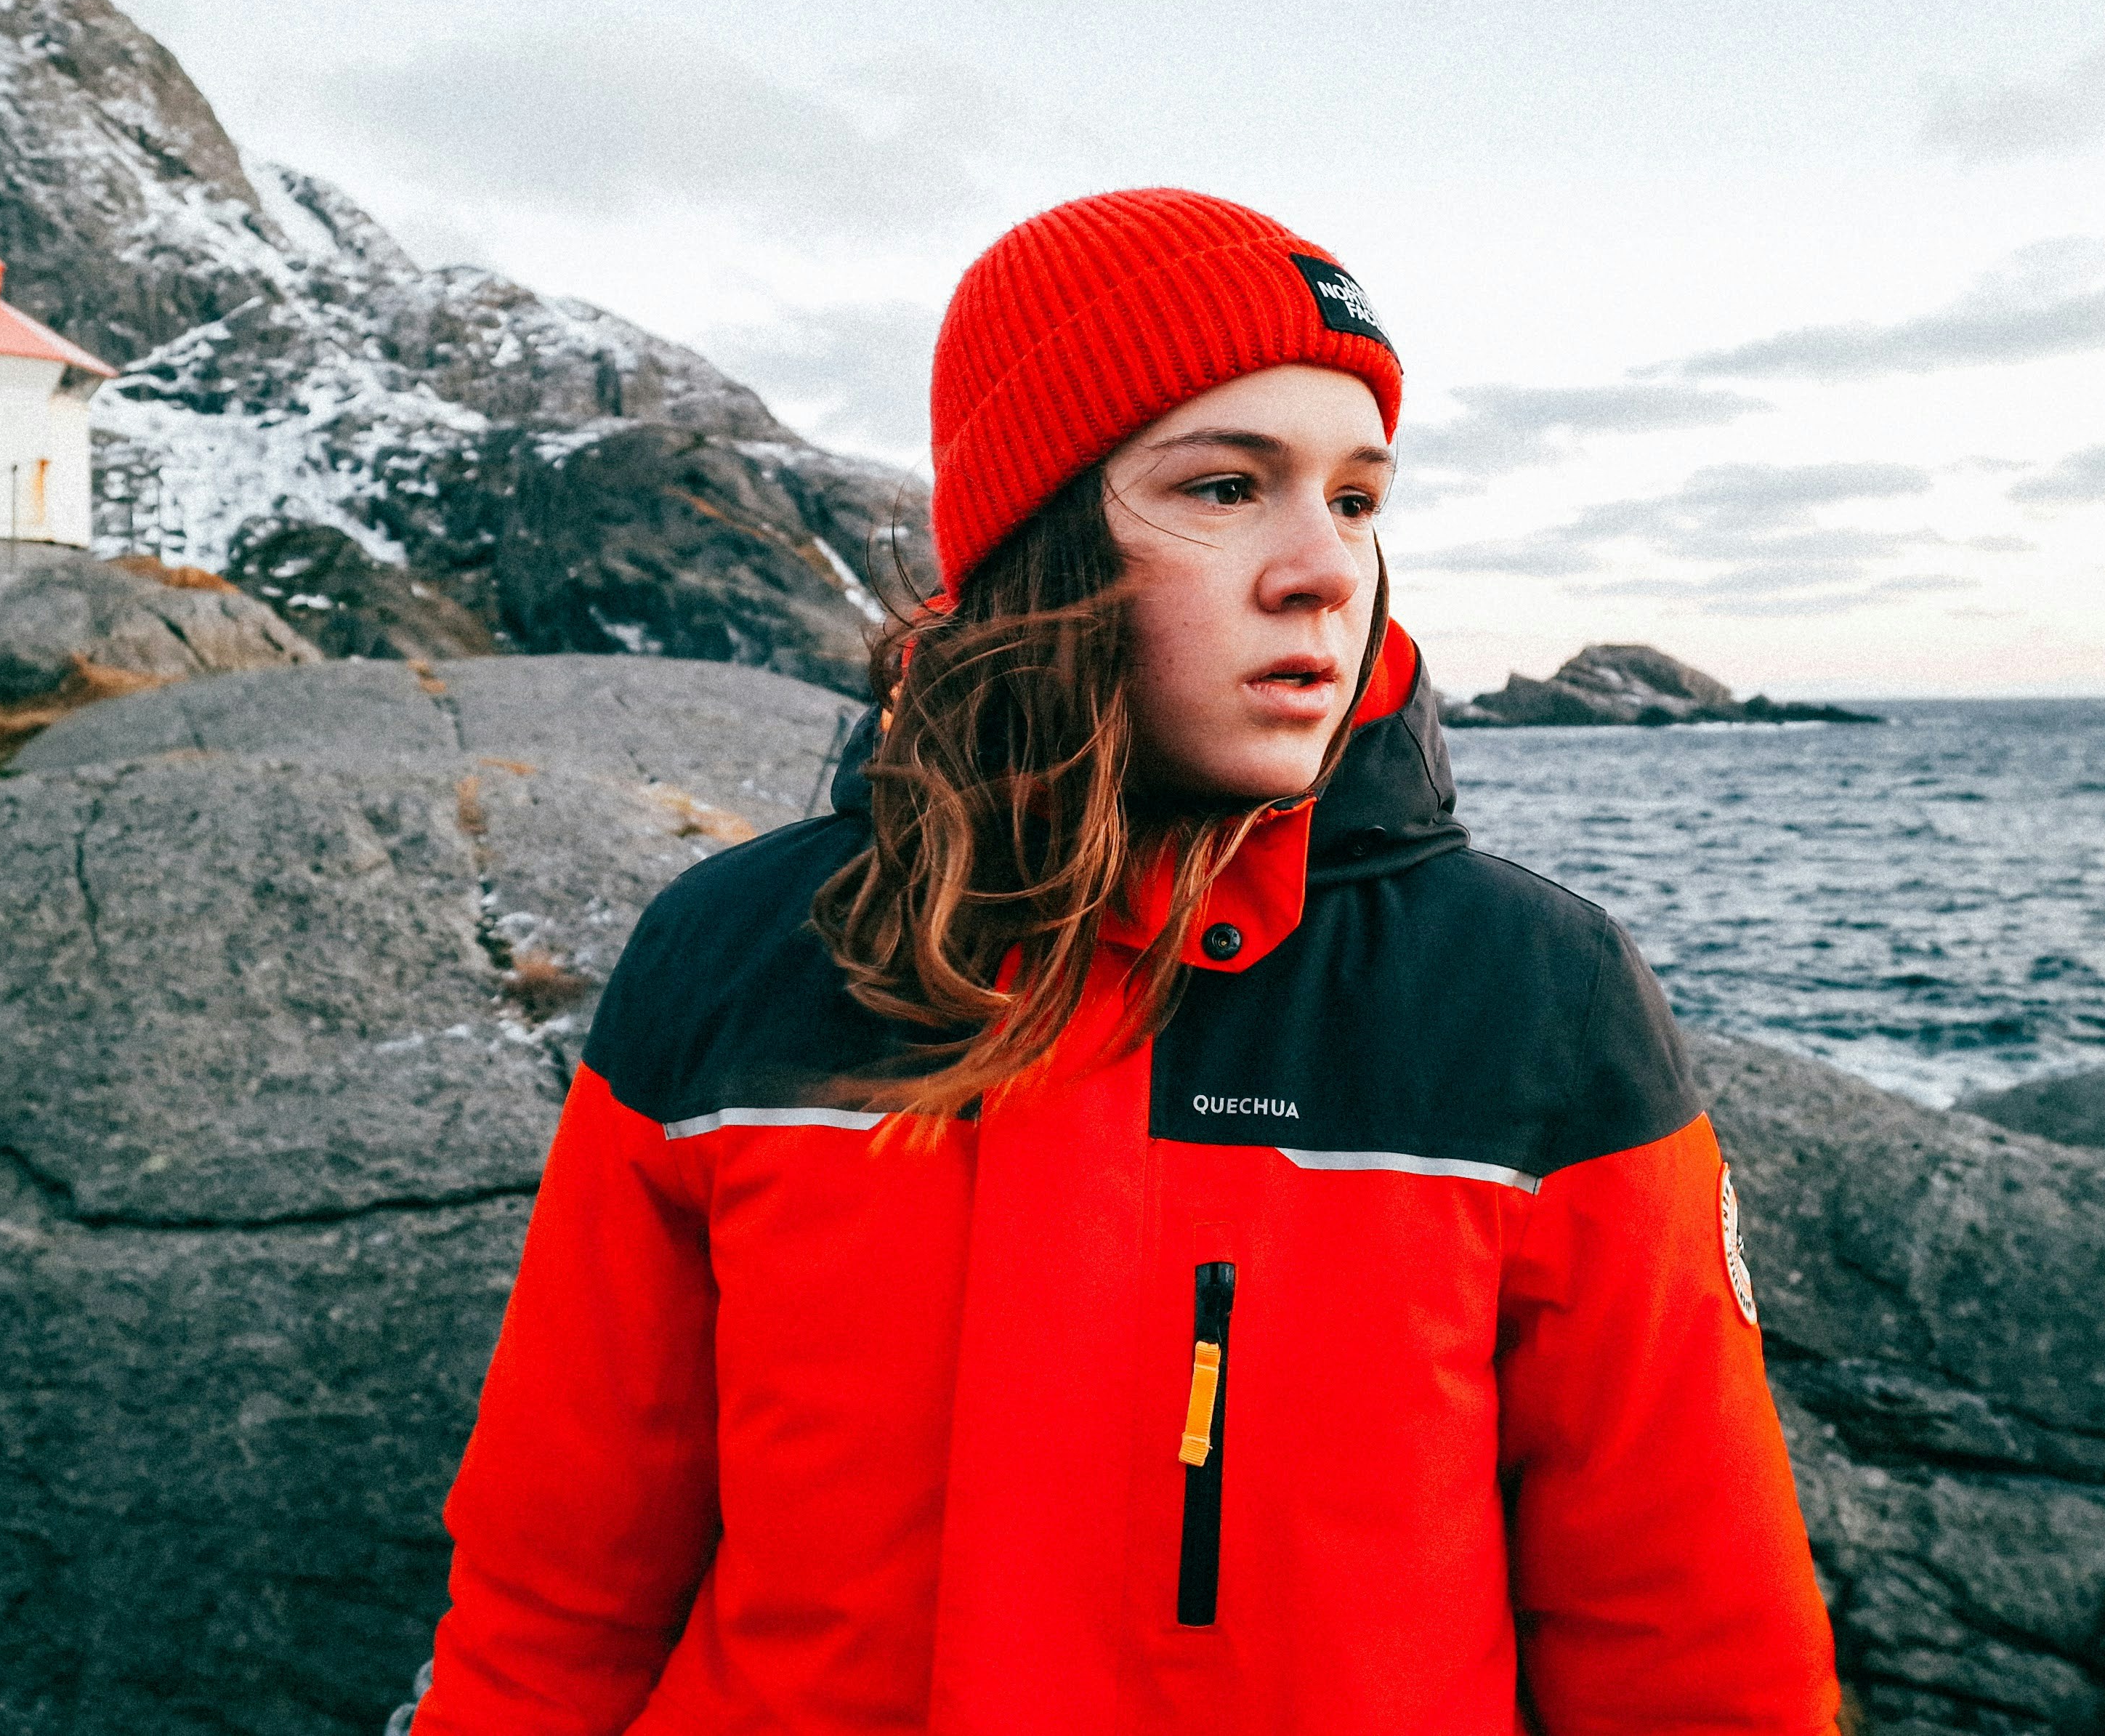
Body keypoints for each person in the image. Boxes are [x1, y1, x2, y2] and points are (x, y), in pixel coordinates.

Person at [411, 187, 1841, 1735]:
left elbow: (1697, 1662)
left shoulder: (1532, 997)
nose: (1325, 569)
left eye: (1358, 499)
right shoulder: (732, 956)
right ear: (1037, 539)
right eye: (1226, 487)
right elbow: (552, 1608)